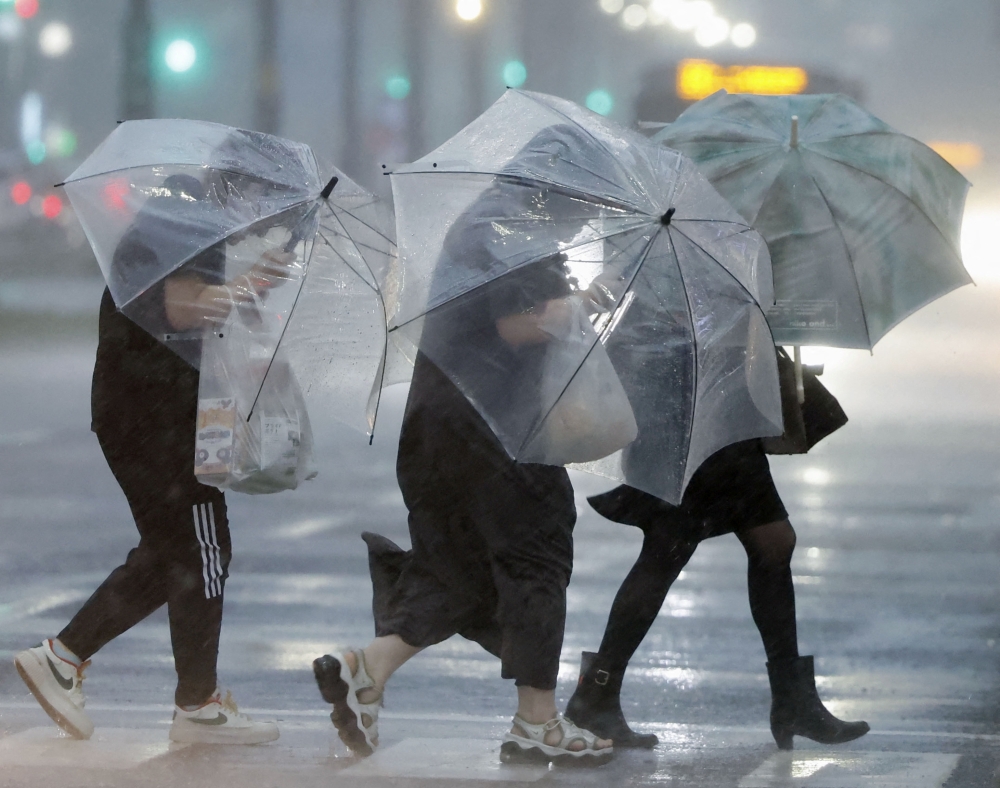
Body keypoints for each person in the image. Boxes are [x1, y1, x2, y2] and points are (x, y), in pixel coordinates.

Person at [312, 132, 615, 765]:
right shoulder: (515, 233)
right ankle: (537, 720)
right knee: (537, 556)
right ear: (557, 188)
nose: (590, 212)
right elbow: (513, 325)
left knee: (462, 564)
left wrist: (574, 303)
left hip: (438, 424)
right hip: (495, 427)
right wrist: (575, 308)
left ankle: (366, 669)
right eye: (587, 198)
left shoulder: (488, 222)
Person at [13, 173, 289, 744]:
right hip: (155, 415)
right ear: (242, 190)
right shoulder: (186, 221)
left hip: (141, 410)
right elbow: (182, 308)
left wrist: (246, 288)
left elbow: (178, 310)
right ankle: (196, 704)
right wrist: (252, 281)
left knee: (175, 552)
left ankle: (65, 659)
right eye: (265, 206)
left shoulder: (184, 217)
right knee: (201, 547)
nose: (264, 221)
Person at [563, 352, 871, 751]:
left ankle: (597, 696)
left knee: (748, 543)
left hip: (720, 409)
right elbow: (651, 336)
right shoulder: (670, 291)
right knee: (683, 548)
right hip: (687, 412)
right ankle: (595, 696)